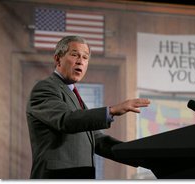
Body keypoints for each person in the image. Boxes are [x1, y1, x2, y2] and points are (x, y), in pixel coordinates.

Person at [26, 35, 150, 179]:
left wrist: (140, 156)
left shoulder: (72, 94)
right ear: (58, 59)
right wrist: (112, 111)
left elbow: (96, 140)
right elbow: (66, 120)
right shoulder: (45, 88)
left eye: (85, 58)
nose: (80, 61)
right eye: (74, 55)